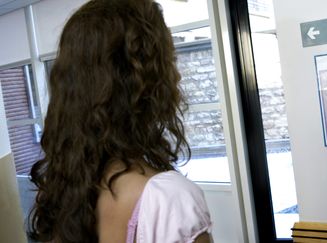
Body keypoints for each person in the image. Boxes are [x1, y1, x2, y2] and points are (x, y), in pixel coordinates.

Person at [28, 0, 212, 242]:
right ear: (145, 83)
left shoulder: (57, 189)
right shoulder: (168, 200)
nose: (176, 75)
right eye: (170, 61)